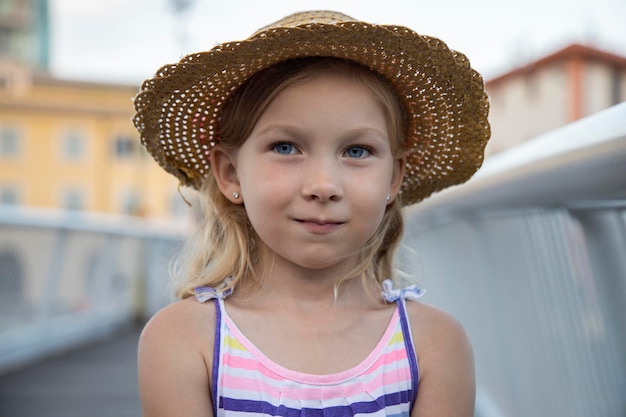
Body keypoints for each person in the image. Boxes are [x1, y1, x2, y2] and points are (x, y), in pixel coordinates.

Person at [132, 10, 490, 417]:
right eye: (286, 147)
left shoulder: (435, 344)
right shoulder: (182, 341)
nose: (323, 185)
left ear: (394, 177)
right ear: (231, 173)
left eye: (357, 151)